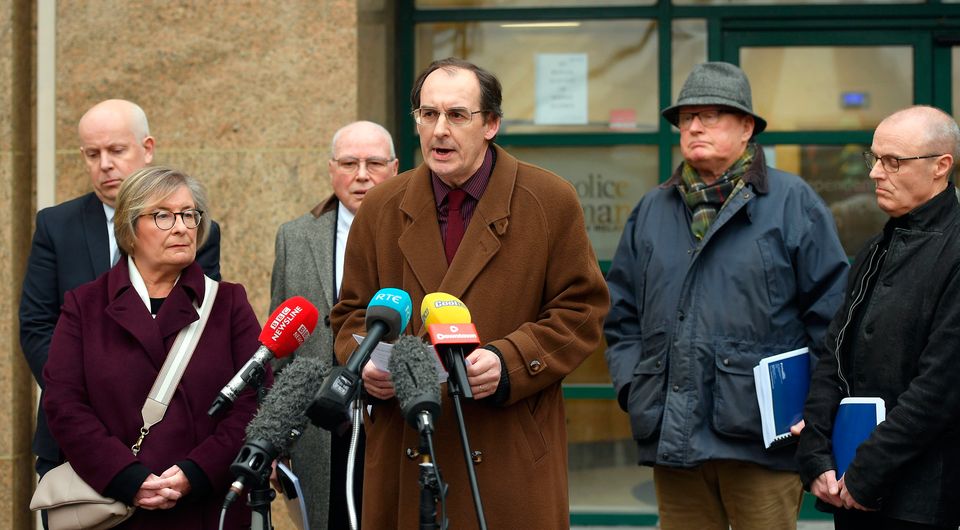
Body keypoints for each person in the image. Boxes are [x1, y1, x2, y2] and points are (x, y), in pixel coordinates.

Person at [329, 57, 609, 529]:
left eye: (457, 115)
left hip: (506, 450)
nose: (440, 130)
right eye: (428, 114)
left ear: (491, 124)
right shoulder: (380, 208)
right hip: (405, 450)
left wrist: (509, 361)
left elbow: (581, 311)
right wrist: (364, 365)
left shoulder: (549, 200)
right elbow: (350, 314)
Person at [603, 61, 849, 530]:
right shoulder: (653, 209)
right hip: (674, 440)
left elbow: (832, 319)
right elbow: (622, 315)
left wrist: (814, 412)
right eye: (686, 117)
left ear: (747, 127)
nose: (693, 126)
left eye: (711, 114)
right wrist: (636, 390)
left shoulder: (793, 203)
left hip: (761, 442)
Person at [19, 99, 221, 515]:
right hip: (74, 438)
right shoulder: (56, 226)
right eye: (93, 155)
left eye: (116, 151)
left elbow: (199, 328)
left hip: (171, 439)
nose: (105, 164)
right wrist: (82, 394)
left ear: (147, 148)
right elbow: (37, 326)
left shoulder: (195, 229)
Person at [42, 166, 264, 529]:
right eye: (162, 215)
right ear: (130, 228)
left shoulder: (228, 302)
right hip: (116, 505)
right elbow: (65, 404)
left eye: (188, 214)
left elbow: (254, 401)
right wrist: (126, 476)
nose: (180, 227)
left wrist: (196, 471)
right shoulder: (85, 305)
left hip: (206, 506)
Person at [796, 106, 960, 530]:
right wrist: (816, 453)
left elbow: (939, 388)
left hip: (921, 500)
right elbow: (835, 352)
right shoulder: (876, 248)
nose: (875, 173)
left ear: (941, 166)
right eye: (875, 158)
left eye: (894, 162)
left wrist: (867, 472)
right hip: (850, 487)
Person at [270, 120, 398, 529]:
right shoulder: (295, 237)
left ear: (394, 169)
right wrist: (275, 432)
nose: (362, 175)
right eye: (349, 163)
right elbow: (280, 347)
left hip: (392, 422)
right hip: (321, 429)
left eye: (374, 163)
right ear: (331, 169)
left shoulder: (415, 234)